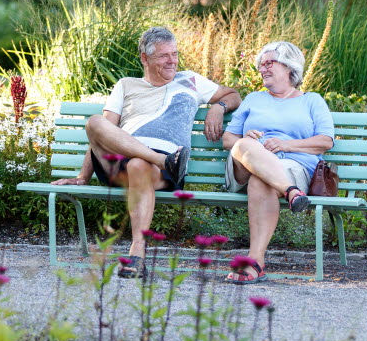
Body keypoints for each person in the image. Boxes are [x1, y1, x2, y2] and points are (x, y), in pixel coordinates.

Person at [52, 26, 241, 278]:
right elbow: (104, 130)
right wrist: (83, 177)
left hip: (151, 171)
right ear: (144, 57)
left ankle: (137, 254)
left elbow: (233, 95)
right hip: (126, 161)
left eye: (174, 54)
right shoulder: (126, 85)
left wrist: (218, 107)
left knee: (139, 165)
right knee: (95, 122)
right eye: (164, 55)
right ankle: (163, 160)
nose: (172, 61)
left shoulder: (190, 80)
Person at [221, 41, 334, 284]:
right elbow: (228, 139)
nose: (263, 68)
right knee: (243, 145)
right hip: (245, 166)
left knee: (261, 181)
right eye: (261, 65)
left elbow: (325, 141)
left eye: (269, 63)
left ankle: (255, 261)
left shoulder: (312, 101)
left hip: (292, 166)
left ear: (289, 67)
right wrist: (247, 138)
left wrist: (286, 145)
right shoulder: (253, 99)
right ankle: (291, 193)